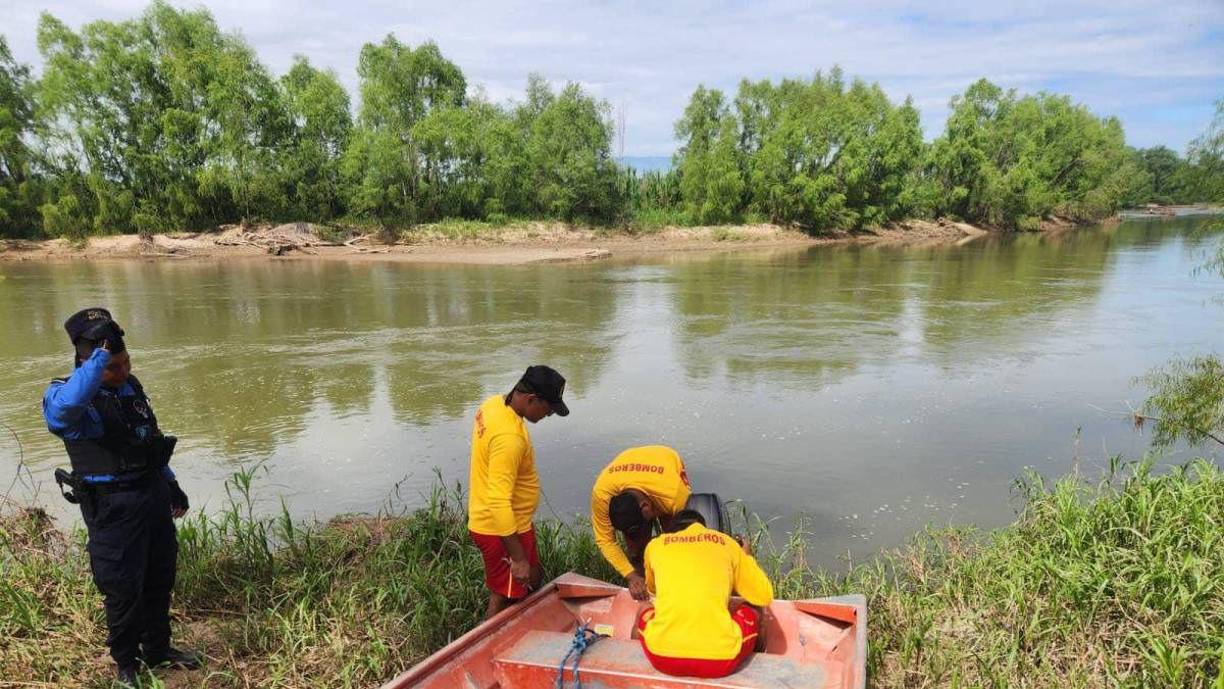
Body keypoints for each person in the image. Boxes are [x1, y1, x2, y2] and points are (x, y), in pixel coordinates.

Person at [42, 308, 200, 688]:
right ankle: (126, 665)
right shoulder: (65, 396)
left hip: (150, 495)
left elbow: (148, 441)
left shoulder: (131, 388)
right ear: (88, 363)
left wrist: (171, 484)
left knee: (159, 577)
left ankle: (158, 649)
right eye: (113, 366)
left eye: (127, 362)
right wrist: (98, 359)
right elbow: (62, 414)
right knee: (122, 587)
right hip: (112, 506)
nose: (123, 371)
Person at [467, 365, 569, 618]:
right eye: (548, 409)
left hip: (511, 523)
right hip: (499, 527)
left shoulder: (493, 405)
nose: (548, 415)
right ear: (531, 399)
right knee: (506, 595)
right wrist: (518, 557)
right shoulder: (509, 438)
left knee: (530, 579)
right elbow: (498, 500)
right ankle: (488, 638)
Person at [634, 509, 773, 678]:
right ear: (704, 527)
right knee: (756, 608)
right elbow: (763, 595)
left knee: (644, 607)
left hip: (661, 657)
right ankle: (756, 671)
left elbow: (653, 589)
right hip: (721, 661)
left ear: (672, 530)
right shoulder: (726, 543)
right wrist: (746, 556)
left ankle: (630, 661)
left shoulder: (655, 545)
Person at [590, 445, 691, 600]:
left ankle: (677, 588)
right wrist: (631, 575)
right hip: (627, 472)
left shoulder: (674, 495)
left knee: (674, 542)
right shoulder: (602, 496)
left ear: (646, 506)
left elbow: (692, 538)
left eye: (638, 527)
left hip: (663, 461)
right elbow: (605, 541)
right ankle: (646, 591)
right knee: (636, 552)